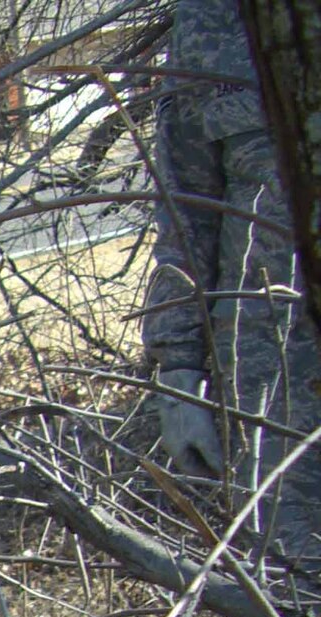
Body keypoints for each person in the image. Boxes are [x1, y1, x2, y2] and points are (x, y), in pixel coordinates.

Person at [145, 0, 319, 556]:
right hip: (276, 404)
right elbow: (187, 209)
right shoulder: (216, 15)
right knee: (295, 604)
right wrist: (178, 372)